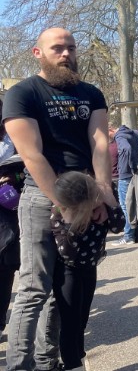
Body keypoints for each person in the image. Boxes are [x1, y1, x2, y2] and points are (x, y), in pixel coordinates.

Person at [1, 27, 119, 371]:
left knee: (66, 287)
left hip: (87, 196)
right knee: (34, 288)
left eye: (70, 47)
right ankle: (19, 365)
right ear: (37, 52)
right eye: (57, 48)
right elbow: (31, 154)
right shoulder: (23, 93)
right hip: (42, 196)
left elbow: (99, 143)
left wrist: (103, 194)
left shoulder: (91, 93)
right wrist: (65, 202)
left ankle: (48, 359)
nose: (66, 53)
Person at [50, 171, 123, 371]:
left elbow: (119, 226)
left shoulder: (100, 206)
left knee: (82, 319)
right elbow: (67, 253)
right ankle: (73, 364)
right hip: (68, 270)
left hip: (89, 267)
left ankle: (78, 357)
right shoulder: (60, 214)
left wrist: (108, 203)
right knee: (70, 321)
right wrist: (73, 223)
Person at [0, 98, 22, 338]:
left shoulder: (13, 139)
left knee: (4, 272)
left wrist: (13, 177)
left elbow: (27, 168)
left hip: (6, 217)